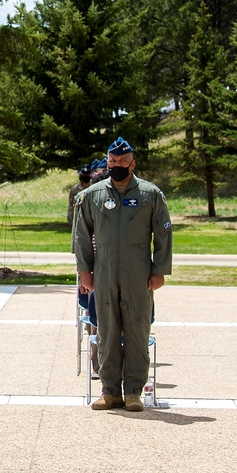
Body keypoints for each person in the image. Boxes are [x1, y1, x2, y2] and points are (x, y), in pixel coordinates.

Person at [74, 136, 172, 413]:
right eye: (112, 161)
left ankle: (133, 392)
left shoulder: (150, 194)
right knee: (106, 331)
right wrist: (85, 270)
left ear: (133, 163)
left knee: (138, 330)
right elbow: (82, 236)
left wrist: (160, 270)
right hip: (103, 272)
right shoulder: (92, 195)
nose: (117, 165)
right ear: (107, 161)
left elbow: (163, 234)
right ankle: (109, 391)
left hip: (138, 272)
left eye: (122, 161)